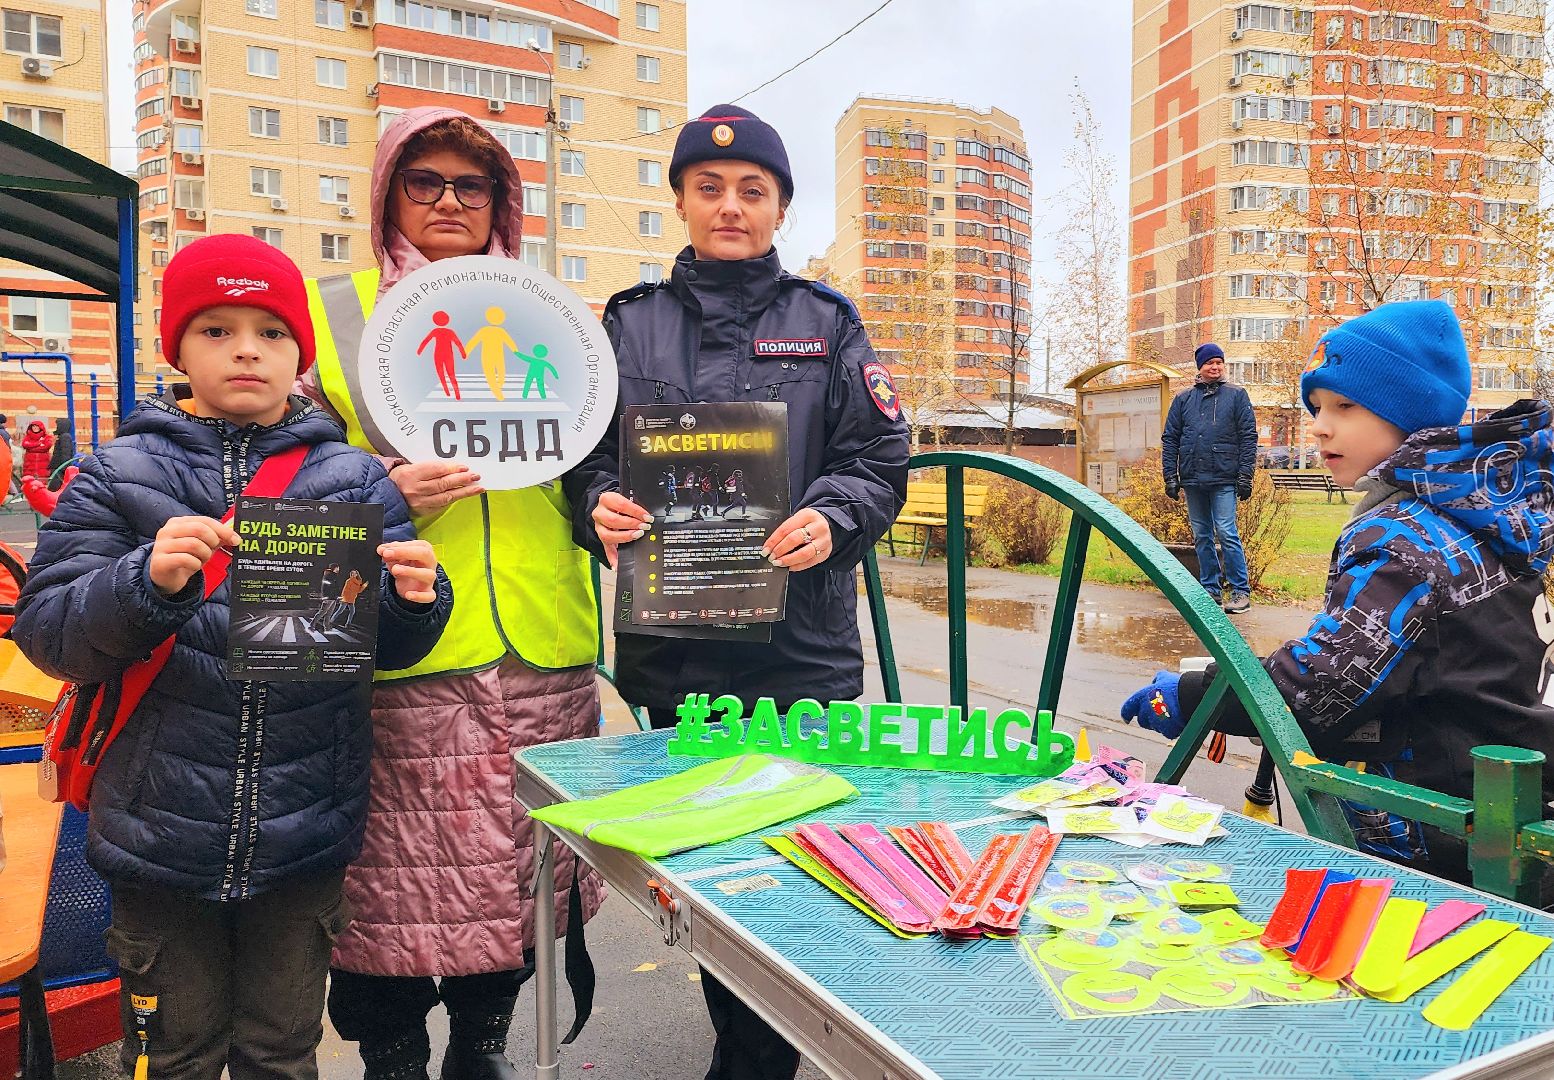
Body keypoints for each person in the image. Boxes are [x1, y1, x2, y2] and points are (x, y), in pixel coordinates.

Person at [11, 234, 452, 1080]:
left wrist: (416, 600)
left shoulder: (355, 479)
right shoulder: (115, 473)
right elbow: (50, 635)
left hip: (303, 833)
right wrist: (145, 582)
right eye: (216, 330)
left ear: (300, 355)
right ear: (177, 349)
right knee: (172, 1057)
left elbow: (387, 648)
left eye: (271, 332)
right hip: (158, 838)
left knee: (281, 1053)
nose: (247, 349)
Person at [563, 104, 910, 1080]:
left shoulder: (827, 323)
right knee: (710, 872)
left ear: (780, 208)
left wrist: (833, 517)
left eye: (752, 190)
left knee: (785, 872)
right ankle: (747, 1044)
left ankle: (754, 1061)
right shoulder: (627, 325)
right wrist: (598, 506)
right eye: (708, 187)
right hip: (675, 651)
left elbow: (879, 457)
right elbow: (584, 460)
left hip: (798, 653)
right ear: (679, 199)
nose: (730, 205)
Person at [300, 106, 604, 1080]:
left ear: (501, 200)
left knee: (516, 885)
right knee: (386, 892)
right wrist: (381, 490)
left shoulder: (551, 313)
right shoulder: (329, 313)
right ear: (388, 191)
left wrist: (612, 508)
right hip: (397, 651)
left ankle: (484, 1049)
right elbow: (275, 478)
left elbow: (597, 464)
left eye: (471, 186)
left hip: (539, 650)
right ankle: (390, 1058)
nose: (448, 201)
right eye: (423, 181)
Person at [1122, 300, 1554, 885]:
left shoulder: (1403, 540)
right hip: (1502, 802)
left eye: (1345, 406)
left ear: (1413, 415)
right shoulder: (1480, 516)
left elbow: (1323, 684)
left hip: (1432, 831)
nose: (1320, 425)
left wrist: (1195, 696)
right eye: (1318, 407)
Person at [1161, 342, 1257, 613]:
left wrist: (1245, 475)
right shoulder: (1183, 399)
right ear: (1200, 367)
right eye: (1209, 363)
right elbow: (1171, 438)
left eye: (1219, 362)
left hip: (1224, 476)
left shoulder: (1236, 395)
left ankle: (1240, 591)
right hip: (1193, 477)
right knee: (1202, 534)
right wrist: (1170, 475)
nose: (1215, 367)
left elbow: (1248, 437)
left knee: (1226, 531)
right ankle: (1210, 590)